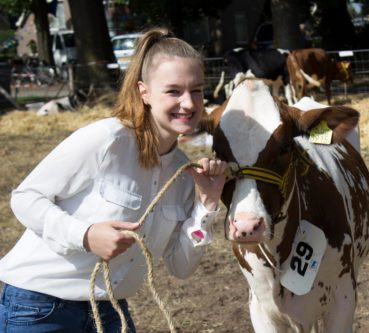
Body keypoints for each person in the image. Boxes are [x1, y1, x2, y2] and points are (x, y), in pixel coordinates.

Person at [0, 27, 227, 332]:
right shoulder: (107, 139)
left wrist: (207, 205)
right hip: (40, 308)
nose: (188, 103)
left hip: (108, 312)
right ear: (144, 92)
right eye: (173, 91)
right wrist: (85, 234)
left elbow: (181, 267)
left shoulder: (184, 175)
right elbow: (25, 197)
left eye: (196, 90)